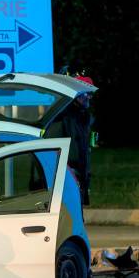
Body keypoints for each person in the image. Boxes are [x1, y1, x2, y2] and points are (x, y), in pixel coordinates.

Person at [45, 69, 96, 205]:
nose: (89, 97)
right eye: (87, 93)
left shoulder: (83, 117)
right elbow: (51, 153)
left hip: (77, 178)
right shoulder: (62, 118)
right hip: (65, 180)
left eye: (91, 94)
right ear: (76, 94)